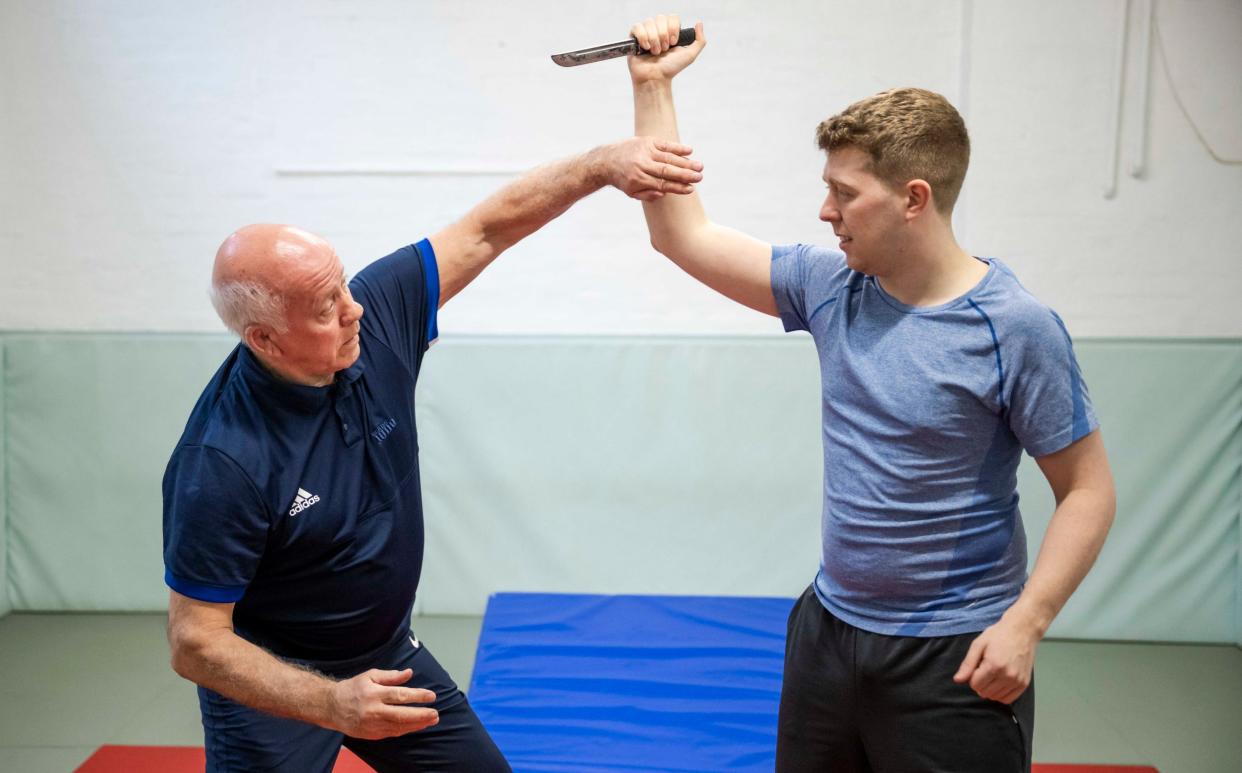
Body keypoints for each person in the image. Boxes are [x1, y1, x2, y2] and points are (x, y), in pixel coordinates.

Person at [626, 15, 1116, 772]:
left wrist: (1028, 622)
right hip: (828, 636)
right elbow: (679, 235)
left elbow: (1087, 489)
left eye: (844, 194)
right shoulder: (832, 288)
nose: (825, 213)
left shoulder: (1014, 328)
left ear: (913, 198)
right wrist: (652, 87)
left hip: (956, 655)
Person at [162, 137, 704, 772]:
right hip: (272, 689)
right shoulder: (222, 462)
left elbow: (487, 229)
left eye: (343, 285)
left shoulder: (374, 324)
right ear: (266, 339)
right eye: (325, 307)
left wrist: (598, 166)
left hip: (384, 653)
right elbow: (195, 643)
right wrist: (332, 703)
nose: (353, 308)